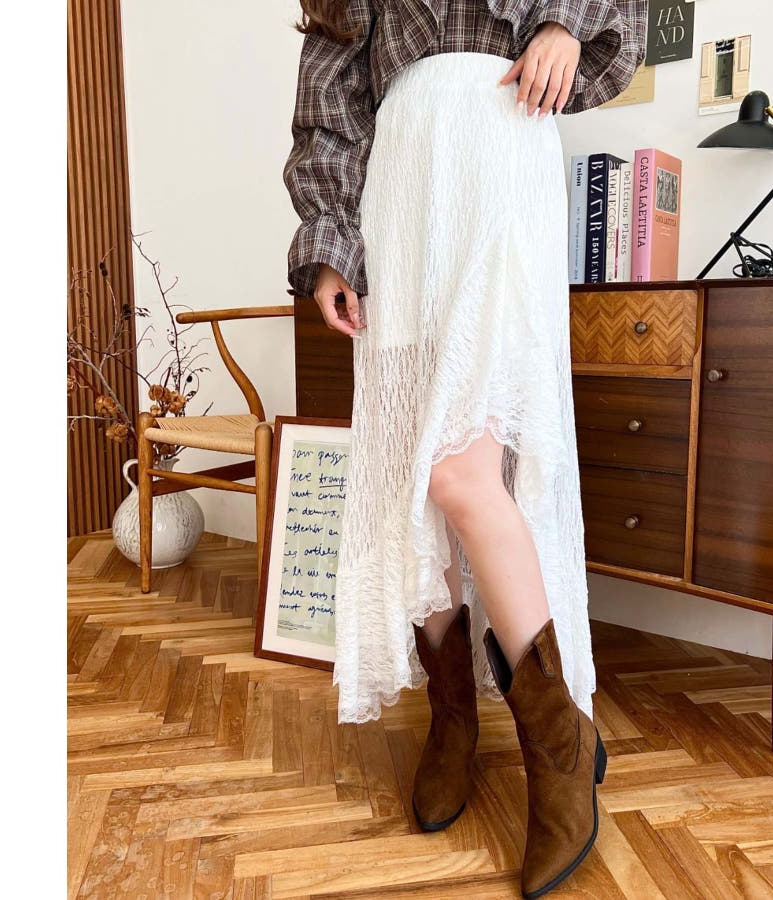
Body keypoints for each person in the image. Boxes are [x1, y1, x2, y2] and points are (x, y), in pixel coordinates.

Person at [283, 2, 647, 897]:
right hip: (399, 195)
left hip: (501, 156)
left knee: (460, 475)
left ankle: (558, 748)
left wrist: (564, 24)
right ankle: (454, 718)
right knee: (411, 480)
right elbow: (328, 101)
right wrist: (329, 249)